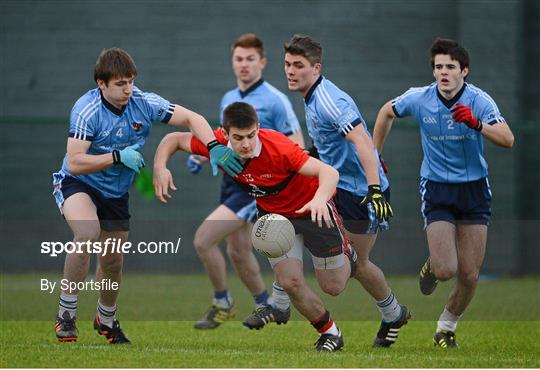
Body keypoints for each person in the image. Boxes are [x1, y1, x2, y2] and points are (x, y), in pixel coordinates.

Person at [52, 47, 242, 344]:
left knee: (112, 260)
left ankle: (106, 319)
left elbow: (191, 118)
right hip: (79, 182)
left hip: (115, 192)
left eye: (130, 81)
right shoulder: (86, 110)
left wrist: (214, 146)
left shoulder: (143, 102)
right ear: (101, 84)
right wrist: (116, 157)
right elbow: (75, 161)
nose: (128, 89)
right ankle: (66, 313)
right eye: (120, 83)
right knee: (87, 231)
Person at [154, 101, 356, 351]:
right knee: (290, 281)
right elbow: (172, 139)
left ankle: (350, 254)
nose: (247, 144)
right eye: (238, 138)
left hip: (311, 210)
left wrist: (318, 200)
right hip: (276, 218)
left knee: (333, 286)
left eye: (251, 135)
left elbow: (329, 173)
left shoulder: (279, 147)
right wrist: (159, 168)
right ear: (225, 134)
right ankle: (331, 333)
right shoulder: (217, 145)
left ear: (258, 128)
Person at [372, 38, 514, 348]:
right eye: (439, 67)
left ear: (465, 70)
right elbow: (386, 112)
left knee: (470, 275)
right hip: (436, 189)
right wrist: (375, 157)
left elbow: (507, 138)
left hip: (474, 191)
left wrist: (477, 124)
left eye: (451, 67)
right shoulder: (420, 98)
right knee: (446, 269)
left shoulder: (479, 101)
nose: (444, 72)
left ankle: (445, 328)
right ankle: (433, 266)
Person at [283, 34, 410, 348]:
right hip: (338, 187)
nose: (291, 71)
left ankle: (393, 313)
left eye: (298, 65)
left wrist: (375, 189)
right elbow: (328, 144)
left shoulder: (329, 99)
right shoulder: (310, 95)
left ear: (316, 68)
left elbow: (363, 143)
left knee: (355, 267)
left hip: (361, 194)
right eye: (287, 64)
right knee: (343, 268)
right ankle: (392, 312)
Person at [185, 34, 304, 330]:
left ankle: (223, 303)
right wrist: (202, 156)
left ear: (262, 63)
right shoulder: (229, 98)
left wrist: (274, 187)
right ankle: (266, 304)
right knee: (237, 251)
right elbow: (226, 142)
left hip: (255, 188)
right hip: (232, 184)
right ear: (232, 62)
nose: (244, 65)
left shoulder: (275, 100)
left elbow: (297, 147)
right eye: (239, 59)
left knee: (203, 240)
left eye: (250, 59)